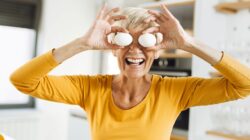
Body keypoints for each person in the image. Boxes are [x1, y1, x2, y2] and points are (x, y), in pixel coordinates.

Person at [10, 4, 250, 140]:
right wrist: (82, 43)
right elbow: (23, 81)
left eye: (144, 41)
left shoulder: (175, 91)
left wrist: (189, 43)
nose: (135, 50)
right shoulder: (90, 89)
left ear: (156, 51)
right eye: (126, 40)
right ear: (113, 48)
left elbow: (245, 84)